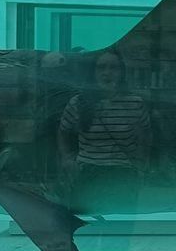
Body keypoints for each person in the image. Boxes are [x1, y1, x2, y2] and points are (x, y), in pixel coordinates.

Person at [58, 51, 152, 194]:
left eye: (113, 68)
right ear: (93, 72)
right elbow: (63, 131)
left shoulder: (135, 103)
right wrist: (67, 159)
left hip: (123, 173)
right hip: (88, 171)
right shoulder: (78, 103)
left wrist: (141, 166)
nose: (107, 73)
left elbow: (144, 137)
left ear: (121, 72)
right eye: (101, 67)